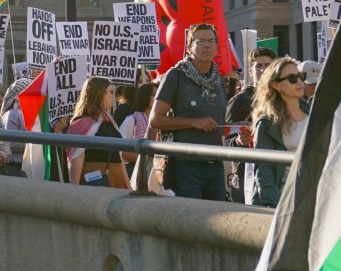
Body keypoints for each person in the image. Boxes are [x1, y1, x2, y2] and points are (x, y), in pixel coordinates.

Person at [149, 23, 228, 200]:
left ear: (216, 47)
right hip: (185, 165)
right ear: (189, 47)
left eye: (211, 41)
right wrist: (194, 122)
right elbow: (155, 120)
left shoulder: (219, 80)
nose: (207, 45)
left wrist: (240, 130)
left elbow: (222, 124)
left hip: (215, 164)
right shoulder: (175, 75)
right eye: (200, 41)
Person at [249, 56, 309, 208]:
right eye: (292, 79)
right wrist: (274, 206)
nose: (300, 82)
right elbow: (263, 170)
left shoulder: (314, 112)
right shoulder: (267, 123)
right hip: (284, 197)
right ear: (276, 85)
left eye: (301, 76)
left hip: (313, 192)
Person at [60, 77, 130, 188]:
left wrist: (129, 187)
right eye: (111, 92)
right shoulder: (81, 123)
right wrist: (74, 190)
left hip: (116, 181)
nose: (114, 96)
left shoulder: (109, 120)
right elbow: (76, 159)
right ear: (99, 93)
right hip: (96, 185)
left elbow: (118, 157)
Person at [225, 47, 276, 131]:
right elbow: (227, 138)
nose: (263, 70)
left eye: (268, 65)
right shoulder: (239, 101)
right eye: (258, 66)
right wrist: (239, 140)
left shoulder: (283, 97)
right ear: (251, 72)